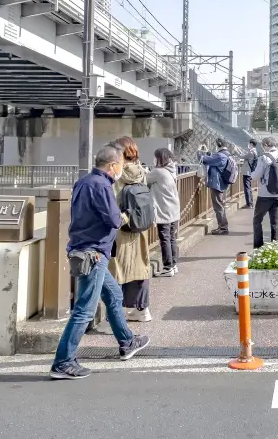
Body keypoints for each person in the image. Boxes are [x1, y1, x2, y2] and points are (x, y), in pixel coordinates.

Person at [50, 144, 149, 380]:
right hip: (94, 254)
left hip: (84, 250)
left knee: (114, 296)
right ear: (113, 165)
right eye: (120, 166)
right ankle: (63, 362)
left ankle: (127, 341)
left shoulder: (83, 182)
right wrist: (128, 214)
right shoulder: (103, 186)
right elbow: (114, 220)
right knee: (84, 310)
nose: (120, 170)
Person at [111, 136, 151, 323]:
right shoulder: (141, 171)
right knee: (141, 267)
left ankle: (115, 315)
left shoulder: (117, 175)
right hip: (140, 225)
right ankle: (142, 310)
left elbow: (112, 201)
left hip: (123, 226)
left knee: (118, 269)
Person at [147, 148, 181, 277]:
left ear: (159, 158)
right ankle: (173, 264)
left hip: (164, 209)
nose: (154, 159)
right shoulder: (171, 170)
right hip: (173, 208)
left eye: (155, 157)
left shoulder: (159, 172)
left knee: (165, 238)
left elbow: (145, 178)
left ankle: (167, 267)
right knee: (171, 237)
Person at [251, 136, 278, 248]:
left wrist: (250, 175)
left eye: (262, 146)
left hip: (266, 194)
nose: (262, 148)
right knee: (275, 223)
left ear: (266, 145)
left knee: (257, 219)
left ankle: (258, 247)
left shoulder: (264, 158)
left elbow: (256, 176)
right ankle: (276, 248)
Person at [198, 137, 230, 235]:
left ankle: (223, 228)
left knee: (218, 206)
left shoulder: (220, 156)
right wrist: (208, 153)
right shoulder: (226, 154)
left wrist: (199, 151)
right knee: (220, 205)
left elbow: (204, 160)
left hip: (217, 184)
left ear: (219, 144)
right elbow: (211, 159)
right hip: (222, 183)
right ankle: (223, 226)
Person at [241, 139, 258, 209]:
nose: (248, 145)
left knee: (247, 188)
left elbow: (242, 156)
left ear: (251, 144)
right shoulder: (254, 152)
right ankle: (250, 203)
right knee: (249, 187)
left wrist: (235, 151)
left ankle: (249, 204)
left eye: (249, 144)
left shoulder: (251, 152)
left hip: (247, 172)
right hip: (249, 172)